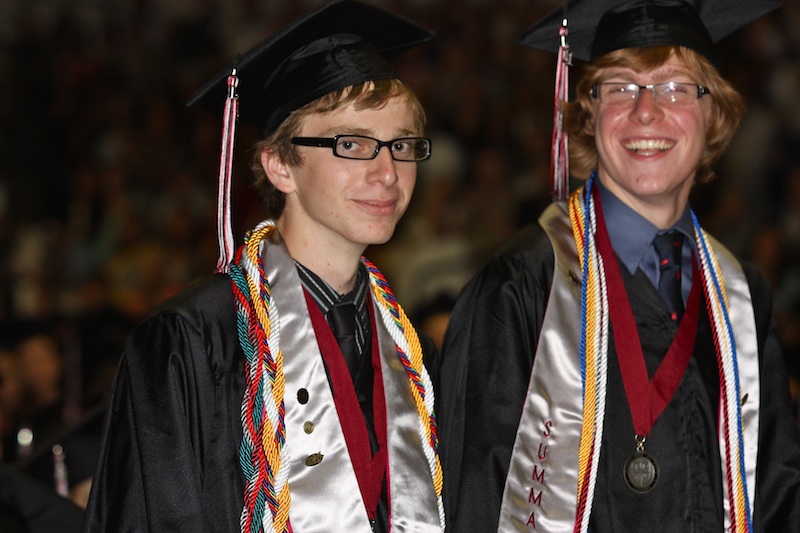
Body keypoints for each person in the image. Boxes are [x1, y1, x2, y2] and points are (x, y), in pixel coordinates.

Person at [438, 0, 800, 531]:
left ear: (714, 115)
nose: (646, 111)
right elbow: (473, 506)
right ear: (587, 115)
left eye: (676, 87)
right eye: (620, 87)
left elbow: (778, 499)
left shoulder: (742, 299)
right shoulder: (520, 289)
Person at [82, 1, 443, 532]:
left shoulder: (412, 351)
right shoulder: (192, 343)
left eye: (402, 145)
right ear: (279, 166)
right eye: (353, 144)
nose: (387, 172)